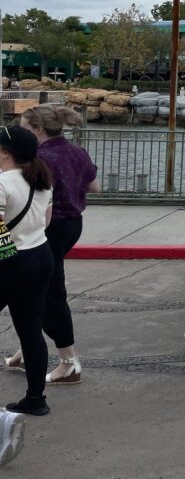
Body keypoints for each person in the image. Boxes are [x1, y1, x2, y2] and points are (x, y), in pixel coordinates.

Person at [6, 106, 98, 385]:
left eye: (23, 128)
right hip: (72, 223)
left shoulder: (40, 158)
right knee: (36, 289)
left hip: (47, 226)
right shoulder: (77, 152)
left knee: (49, 293)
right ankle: (28, 348)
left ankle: (69, 361)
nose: (20, 133)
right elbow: (94, 187)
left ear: (37, 129)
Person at [0, 125, 55, 415]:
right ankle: (36, 399)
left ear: (5, 152)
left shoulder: (3, 182)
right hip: (40, 255)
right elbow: (46, 221)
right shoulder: (42, 179)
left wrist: (8, 261)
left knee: (29, 328)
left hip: (11, 260)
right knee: (31, 330)